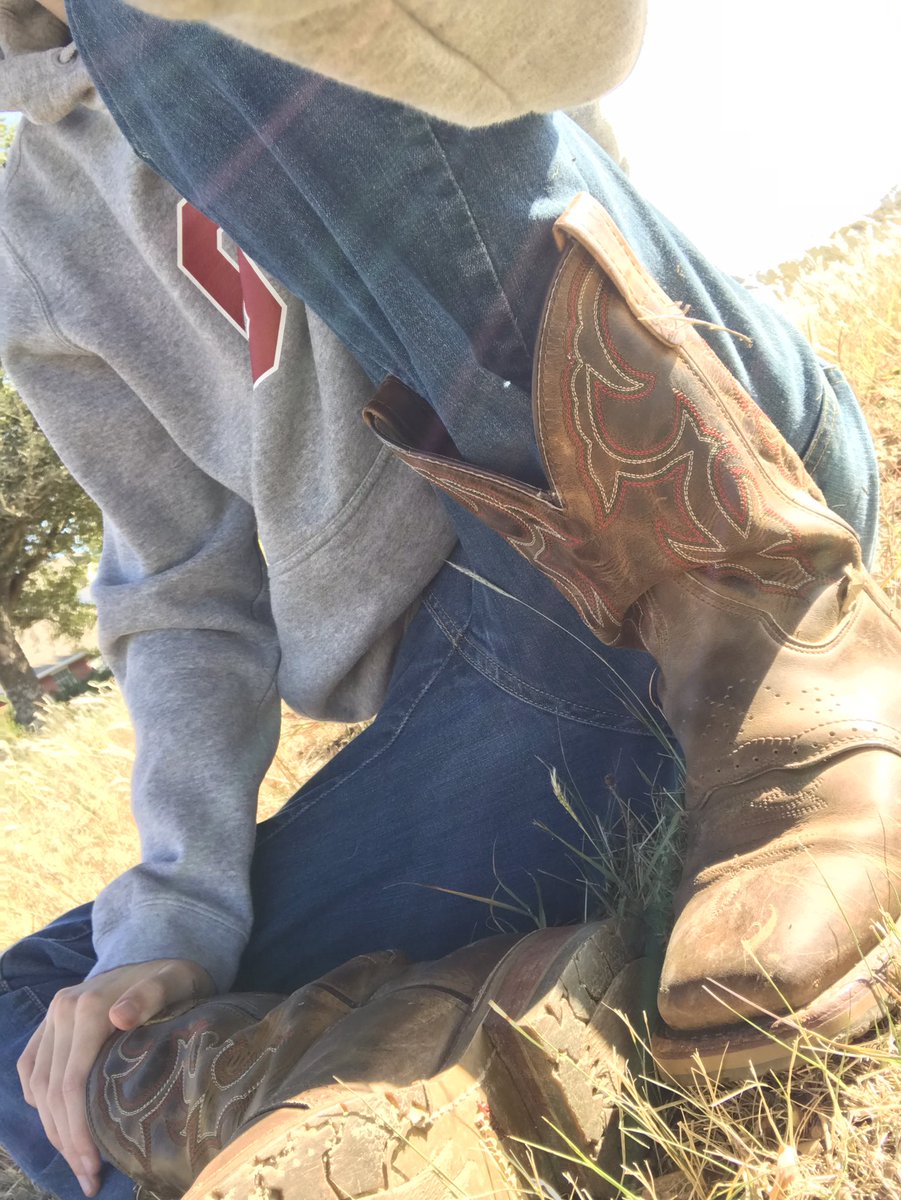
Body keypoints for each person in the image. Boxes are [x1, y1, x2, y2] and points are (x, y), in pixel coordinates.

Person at [4, 0, 900, 1196]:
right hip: (494, 704)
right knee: (32, 1016)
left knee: (149, 27)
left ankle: (794, 681)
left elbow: (576, 50)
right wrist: (169, 927)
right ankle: (411, 1060)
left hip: (698, 477)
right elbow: (184, 592)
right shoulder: (32, 236)